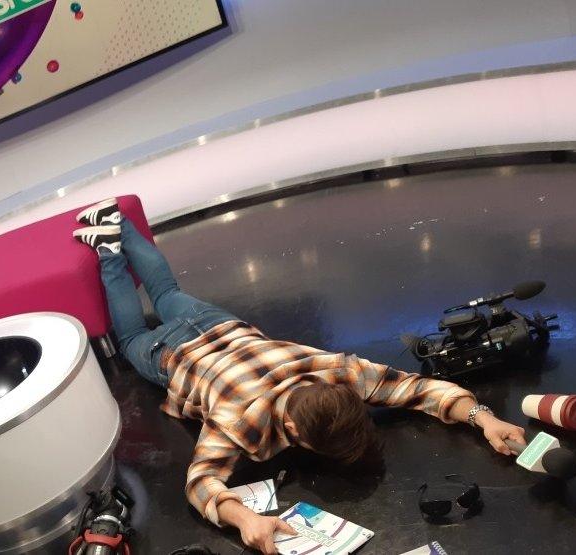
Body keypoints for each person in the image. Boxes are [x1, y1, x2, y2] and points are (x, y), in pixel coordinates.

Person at [72, 198, 528, 554]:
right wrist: (245, 519)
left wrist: (484, 418)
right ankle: (108, 248)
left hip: (215, 326)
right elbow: (200, 483)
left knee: (166, 290)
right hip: (175, 349)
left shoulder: (338, 375)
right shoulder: (243, 418)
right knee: (130, 330)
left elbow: (420, 390)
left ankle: (115, 223)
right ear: (292, 431)